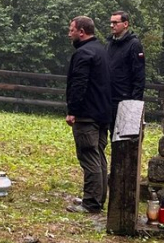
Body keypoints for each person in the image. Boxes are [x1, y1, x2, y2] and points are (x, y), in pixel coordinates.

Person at [65, 16, 112, 214]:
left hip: (87, 114)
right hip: (102, 113)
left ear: (81, 32)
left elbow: (79, 84)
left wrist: (73, 111)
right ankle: (98, 199)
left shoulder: (83, 54)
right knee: (99, 156)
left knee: (88, 156)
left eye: (71, 30)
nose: (69, 34)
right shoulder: (101, 51)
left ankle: (91, 203)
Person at [106, 10, 145, 132]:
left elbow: (139, 75)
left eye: (115, 22)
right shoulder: (109, 43)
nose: (112, 26)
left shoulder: (134, 45)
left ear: (125, 24)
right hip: (108, 98)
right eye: (111, 23)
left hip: (124, 99)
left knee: (123, 137)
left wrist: (134, 103)